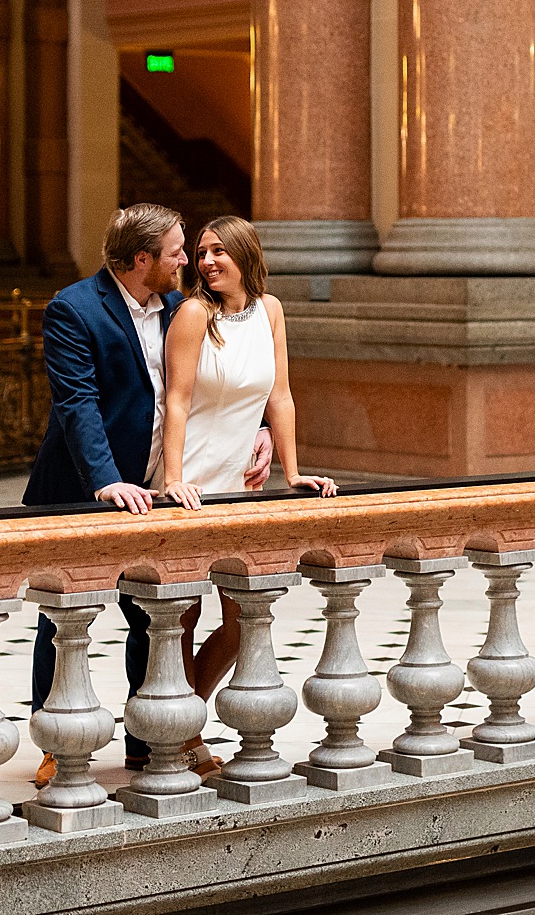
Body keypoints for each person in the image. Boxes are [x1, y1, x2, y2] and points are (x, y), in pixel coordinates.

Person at [22, 204, 270, 784]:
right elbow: (78, 404)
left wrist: (256, 429)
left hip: (161, 487)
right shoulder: (74, 308)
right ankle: (56, 741)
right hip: (83, 488)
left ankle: (146, 738)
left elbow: (219, 378)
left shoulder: (182, 307)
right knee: (65, 619)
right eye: (178, 251)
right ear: (142, 259)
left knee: (153, 620)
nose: (188, 260)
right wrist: (106, 479)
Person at [155, 216, 335, 770]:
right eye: (201, 253)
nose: (207, 262)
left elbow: (280, 396)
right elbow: (177, 400)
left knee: (242, 618)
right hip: (190, 480)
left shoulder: (271, 310)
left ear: (245, 254)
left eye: (218, 251)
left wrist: (291, 471)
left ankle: (184, 719)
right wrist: (172, 478)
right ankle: (185, 738)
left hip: (240, 484)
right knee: (183, 617)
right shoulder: (193, 314)